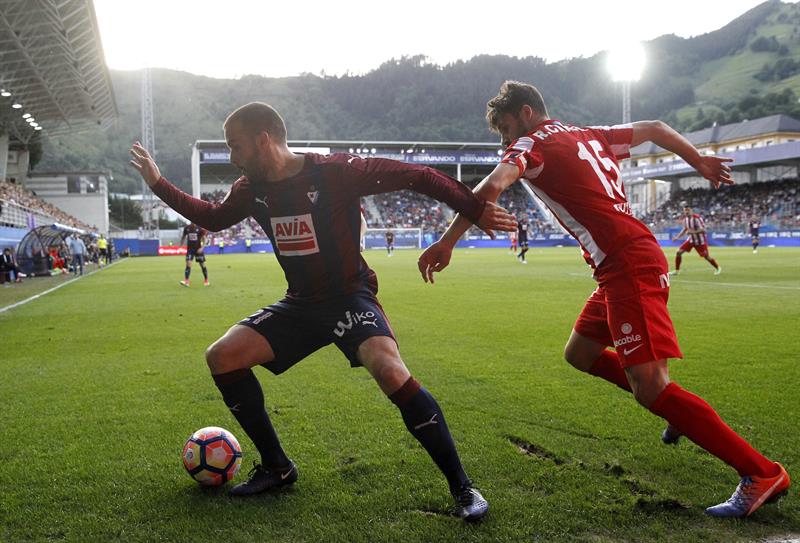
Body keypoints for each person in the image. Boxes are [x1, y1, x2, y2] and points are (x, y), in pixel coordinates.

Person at [417, 81, 790, 518]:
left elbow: (493, 183)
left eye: (503, 127)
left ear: (524, 112)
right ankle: (678, 410)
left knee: (651, 389)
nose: (502, 139)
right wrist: (698, 161)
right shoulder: (588, 134)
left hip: (626, 265)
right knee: (581, 352)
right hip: (620, 264)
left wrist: (448, 241)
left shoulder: (530, 143)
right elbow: (652, 127)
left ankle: (761, 472)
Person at [129, 101, 516, 521]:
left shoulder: (336, 171)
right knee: (222, 356)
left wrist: (475, 209)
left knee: (389, 370)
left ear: (264, 140)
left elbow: (417, 174)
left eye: (236, 147)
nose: (233, 158)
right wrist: (157, 182)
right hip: (301, 304)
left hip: (349, 297)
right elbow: (214, 218)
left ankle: (463, 488)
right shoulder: (249, 189)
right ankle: (277, 467)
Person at [671, 203, 720, 275]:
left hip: (700, 241)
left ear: (691, 210)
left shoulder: (697, 218)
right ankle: (676, 271)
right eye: (685, 210)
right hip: (691, 240)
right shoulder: (685, 220)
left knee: (706, 256)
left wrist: (693, 232)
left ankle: (717, 268)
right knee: (678, 252)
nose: (686, 212)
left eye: (688, 210)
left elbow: (703, 229)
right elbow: (684, 229)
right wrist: (677, 237)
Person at [180, 223, 209, 287]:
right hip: (190, 250)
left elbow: (204, 239)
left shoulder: (200, 228)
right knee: (188, 263)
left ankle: (206, 280)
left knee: (202, 265)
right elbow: (183, 236)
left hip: (198, 250)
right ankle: (186, 281)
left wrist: (202, 248)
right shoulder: (187, 228)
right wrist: (181, 246)